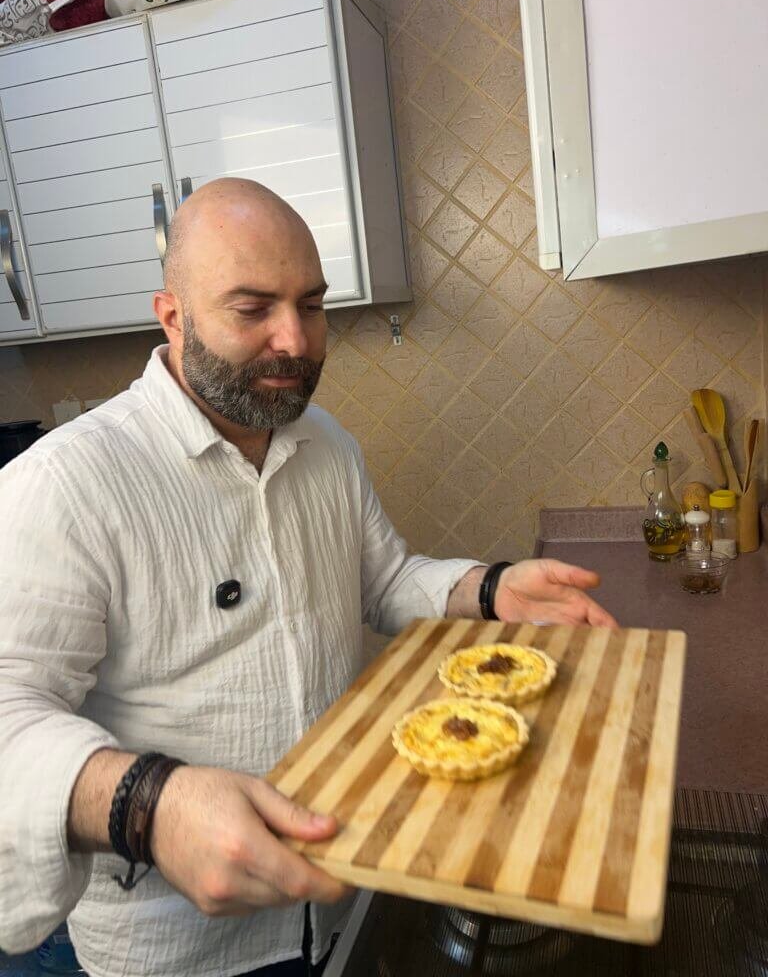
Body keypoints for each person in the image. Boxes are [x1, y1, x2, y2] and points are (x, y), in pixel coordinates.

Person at [0, 178, 617, 977]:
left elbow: (384, 581)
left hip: (336, 887)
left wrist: (492, 588)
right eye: (252, 309)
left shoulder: (323, 442)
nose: (295, 340)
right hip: (175, 948)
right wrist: (150, 805)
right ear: (173, 316)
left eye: (312, 305)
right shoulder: (67, 483)